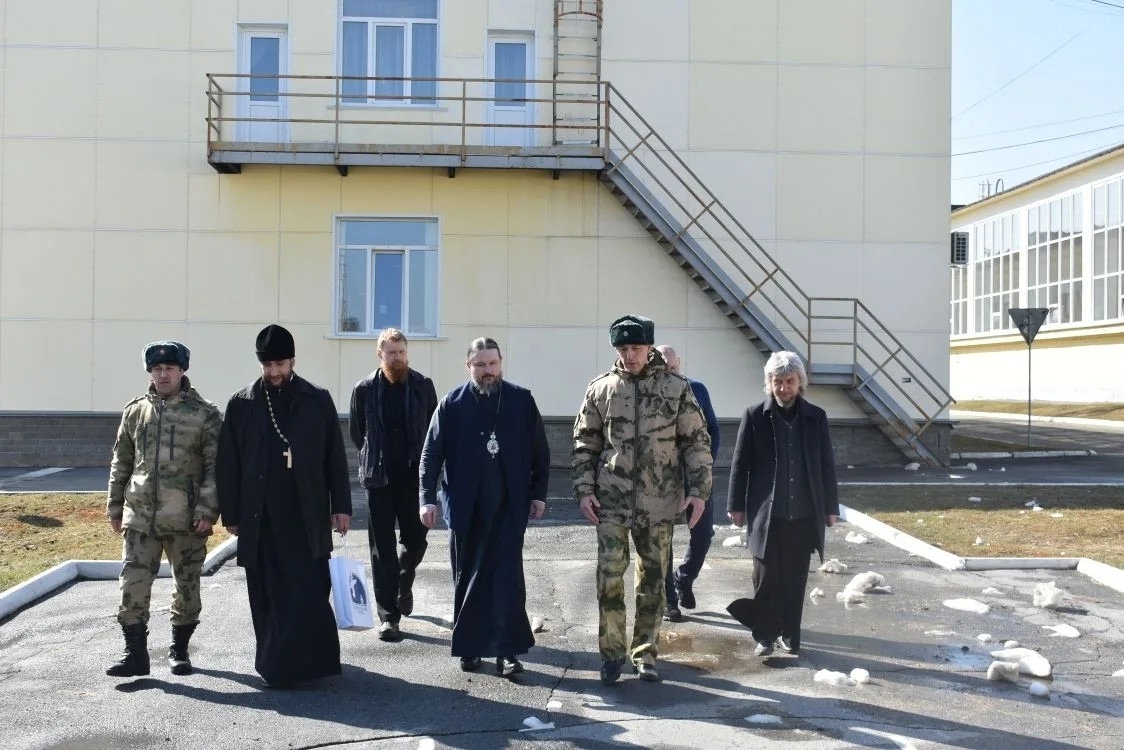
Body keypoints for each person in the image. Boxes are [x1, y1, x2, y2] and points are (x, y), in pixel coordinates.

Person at [573, 315, 713, 685]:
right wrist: (584, 490)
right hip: (611, 502)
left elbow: (696, 443)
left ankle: (645, 653)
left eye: (636, 348)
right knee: (609, 578)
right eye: (623, 348)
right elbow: (585, 444)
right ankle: (611, 654)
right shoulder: (601, 389)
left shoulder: (675, 388)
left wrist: (698, 492)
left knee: (652, 581)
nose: (630, 355)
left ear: (649, 347)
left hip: (659, 502)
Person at [216, 324, 353, 688]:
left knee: (309, 591)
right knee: (268, 594)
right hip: (260, 515)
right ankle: (277, 667)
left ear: (292, 361)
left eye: (280, 364)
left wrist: (341, 506)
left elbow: (334, 458)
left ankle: (313, 664)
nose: (274, 371)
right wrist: (231, 514)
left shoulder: (317, 399)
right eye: (268, 365)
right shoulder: (242, 403)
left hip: (306, 514)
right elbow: (228, 463)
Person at [419, 337, 550, 676]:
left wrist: (538, 494)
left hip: (509, 505)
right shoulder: (452, 404)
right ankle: (471, 647)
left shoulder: (521, 400)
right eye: (480, 364)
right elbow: (431, 454)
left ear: (500, 363)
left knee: (507, 582)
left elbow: (540, 452)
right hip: (466, 509)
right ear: (468, 366)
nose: (487, 370)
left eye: (492, 363)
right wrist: (426, 499)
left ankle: (508, 652)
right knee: (469, 579)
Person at [105, 341, 222, 678]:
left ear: (182, 370)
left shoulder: (204, 414)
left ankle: (179, 650)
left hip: (185, 519)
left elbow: (216, 468)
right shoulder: (135, 411)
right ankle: (135, 654)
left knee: (187, 586)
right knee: (132, 585)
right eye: (157, 369)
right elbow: (121, 461)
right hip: (140, 516)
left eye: (170, 368)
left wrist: (207, 510)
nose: (163, 374)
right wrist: (115, 506)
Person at [725, 351, 840, 657]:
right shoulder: (754, 415)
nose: (783, 388)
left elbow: (826, 465)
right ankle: (765, 635)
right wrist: (736, 504)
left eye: (789, 381)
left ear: (800, 382)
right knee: (765, 578)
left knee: (794, 579)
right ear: (769, 382)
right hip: (767, 515)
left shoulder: (816, 417)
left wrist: (831, 507)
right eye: (778, 381)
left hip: (803, 513)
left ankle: (789, 634)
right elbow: (740, 464)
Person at [349, 328, 438, 642]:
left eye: (401, 352)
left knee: (415, 542)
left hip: (415, 480)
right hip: (379, 480)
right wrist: (375, 457)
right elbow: (358, 433)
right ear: (380, 354)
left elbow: (434, 432)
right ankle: (389, 617)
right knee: (381, 550)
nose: (397, 358)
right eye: (391, 353)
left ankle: (404, 578)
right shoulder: (364, 389)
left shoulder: (423, 386)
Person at [655, 345, 720, 623]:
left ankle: (684, 577)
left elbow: (713, 429)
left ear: (679, 364)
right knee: (663, 539)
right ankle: (669, 601)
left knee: (703, 534)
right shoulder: (650, 394)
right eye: (664, 369)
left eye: (673, 368)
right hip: (662, 479)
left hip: (695, 474)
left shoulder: (697, 390)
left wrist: (706, 464)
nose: (670, 374)